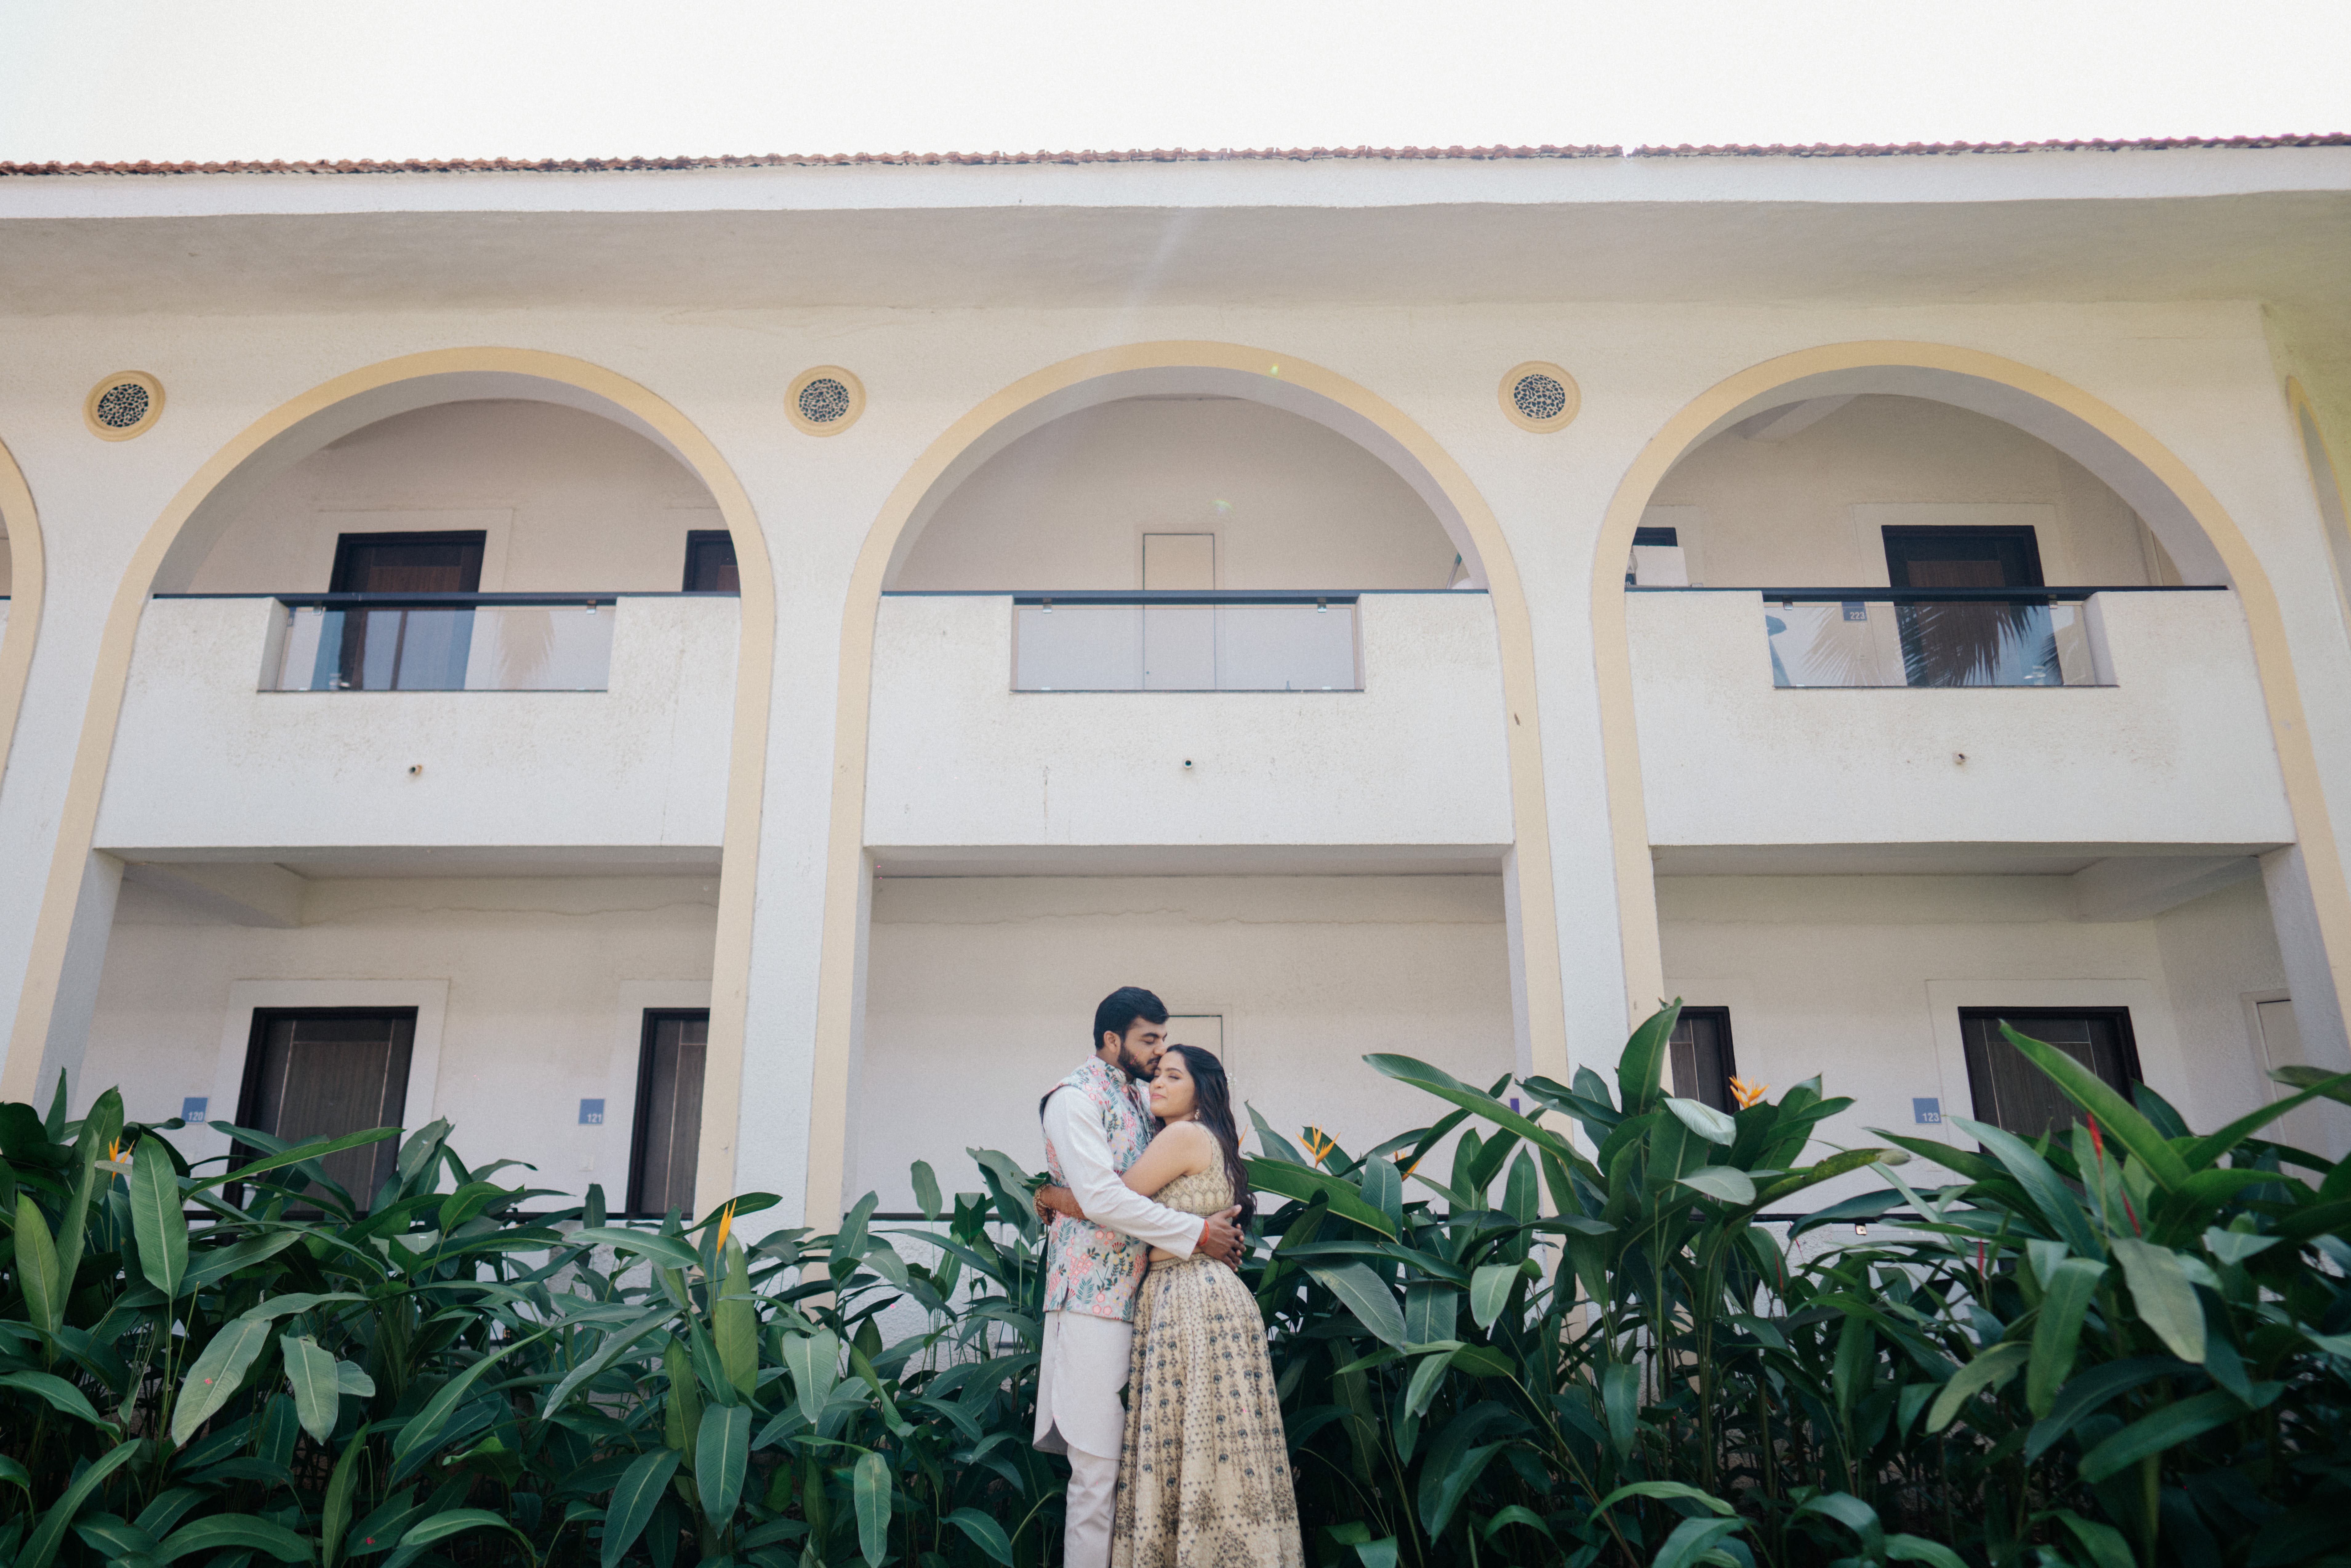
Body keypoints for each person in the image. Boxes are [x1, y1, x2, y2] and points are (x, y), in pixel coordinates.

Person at [1038, 1043, 1305, 1568]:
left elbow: (1107, 1205)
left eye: (1172, 1076)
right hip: (1205, 1296)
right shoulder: (1207, 1139)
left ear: (1201, 1091)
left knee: (1194, 1445)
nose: (1157, 1083)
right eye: (1156, 1074)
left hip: (1189, 1299)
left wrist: (1048, 1195)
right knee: (1215, 1446)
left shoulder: (1184, 1135)